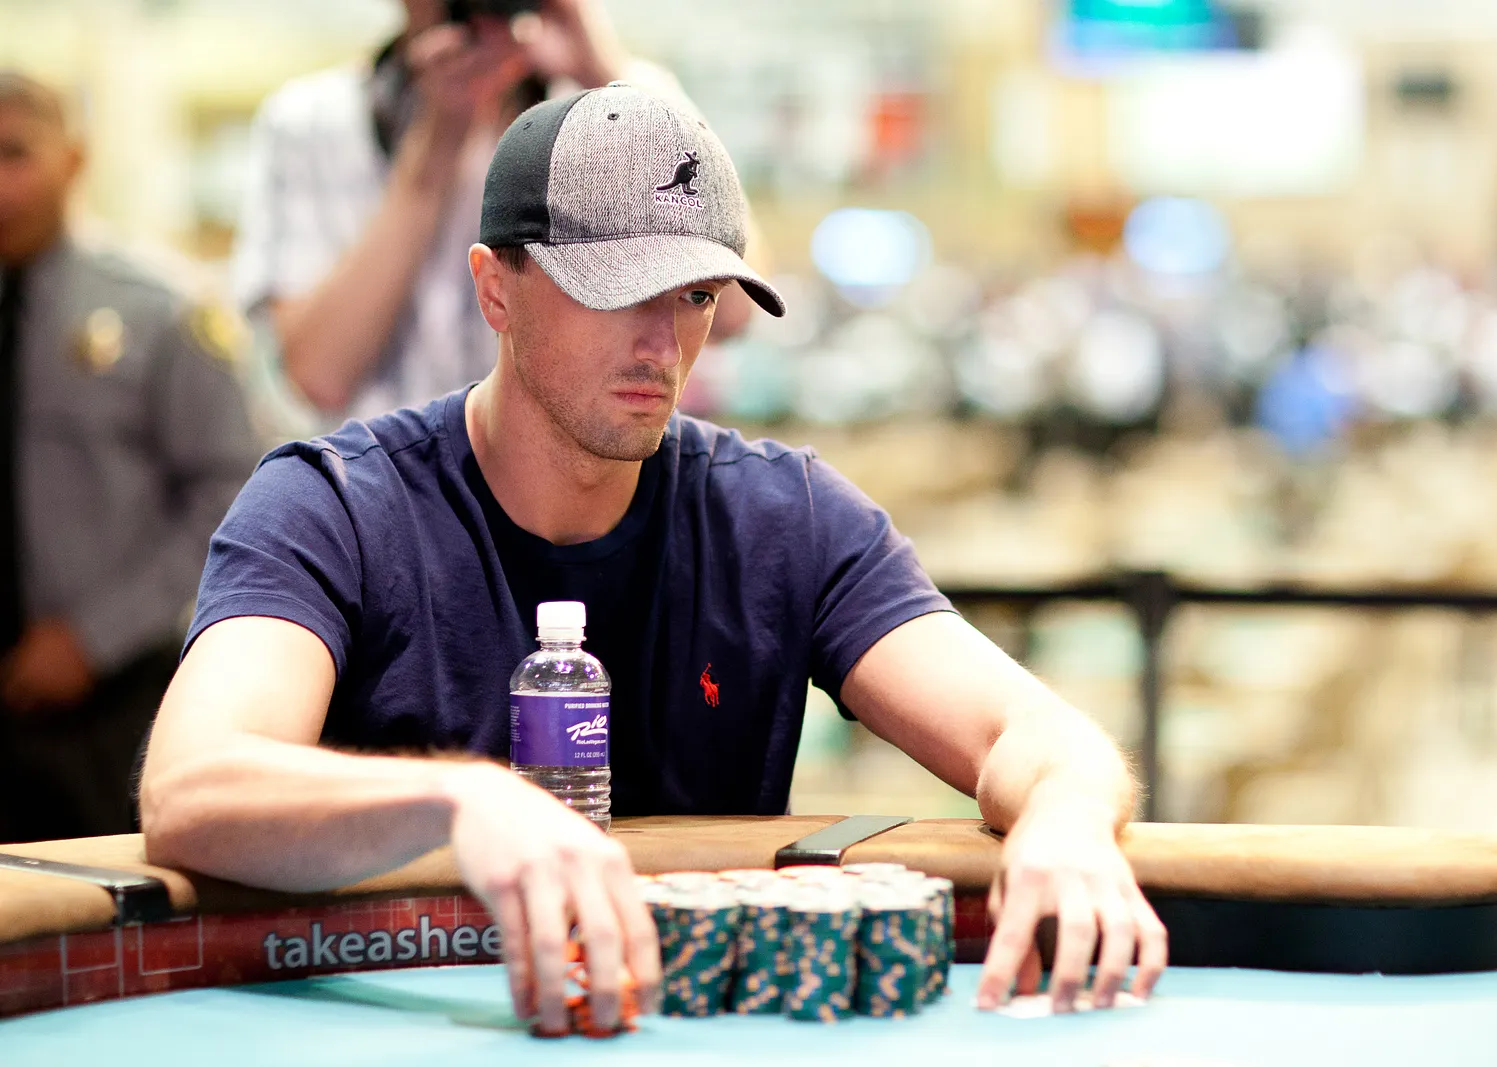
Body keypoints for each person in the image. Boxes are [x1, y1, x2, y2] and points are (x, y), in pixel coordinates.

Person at [140, 84, 1166, 1036]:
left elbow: (1035, 736)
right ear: (495, 290)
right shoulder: (335, 505)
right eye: (617, 290)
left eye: (695, 296)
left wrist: (1065, 822)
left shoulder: (784, 517)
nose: (663, 345)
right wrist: (465, 799)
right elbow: (191, 787)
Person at [233, 0, 753, 423]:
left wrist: (606, 73)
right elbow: (318, 377)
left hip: (580, 488)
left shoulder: (623, 99)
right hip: (385, 493)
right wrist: (433, 151)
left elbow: (733, 310)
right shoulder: (314, 123)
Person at [0, 73, 259, 843]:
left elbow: (231, 494)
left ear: (74, 159)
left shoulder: (159, 309)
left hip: (110, 699)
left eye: (16, 154)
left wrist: (94, 637)